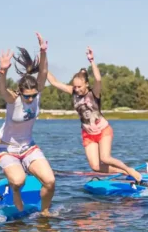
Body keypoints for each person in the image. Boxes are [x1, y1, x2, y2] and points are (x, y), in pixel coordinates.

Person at [47, 46, 143, 183]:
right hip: (88, 134)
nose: (77, 89)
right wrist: (42, 65)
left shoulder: (94, 93)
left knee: (105, 158)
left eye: (79, 87)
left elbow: (98, 79)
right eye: (75, 87)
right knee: (95, 166)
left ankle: (129, 170)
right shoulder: (73, 93)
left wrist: (92, 61)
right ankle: (123, 172)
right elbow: (54, 82)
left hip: (103, 129)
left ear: (86, 84)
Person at [0, 33, 56, 214]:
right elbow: (1, 89)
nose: (30, 99)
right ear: (20, 93)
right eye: (27, 96)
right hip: (6, 149)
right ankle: (15, 191)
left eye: (33, 95)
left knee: (50, 181)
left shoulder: (37, 93)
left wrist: (43, 52)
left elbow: (43, 72)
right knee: (19, 181)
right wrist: (3, 72)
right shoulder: (13, 99)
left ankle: (44, 213)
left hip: (28, 147)